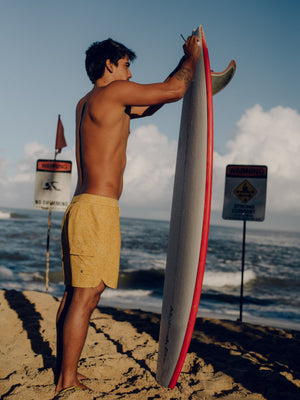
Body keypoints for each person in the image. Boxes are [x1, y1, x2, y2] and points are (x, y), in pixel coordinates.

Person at [55, 35, 200, 394]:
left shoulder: (88, 102)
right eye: (126, 65)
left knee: (75, 294)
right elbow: (172, 91)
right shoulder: (112, 94)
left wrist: (182, 74)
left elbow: (151, 103)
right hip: (97, 210)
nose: (130, 73)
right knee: (86, 296)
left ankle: (64, 370)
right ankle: (66, 380)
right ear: (109, 65)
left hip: (81, 208)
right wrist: (190, 57)